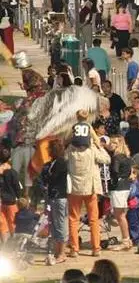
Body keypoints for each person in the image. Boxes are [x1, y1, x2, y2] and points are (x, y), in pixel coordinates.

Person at [66, 112, 111, 257]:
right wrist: (100, 146)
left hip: (74, 188)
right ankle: (95, 248)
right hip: (90, 187)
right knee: (93, 219)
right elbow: (107, 159)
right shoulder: (92, 149)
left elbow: (63, 154)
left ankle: (74, 249)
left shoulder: (70, 150)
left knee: (73, 218)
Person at [40, 140, 69, 264]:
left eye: (50, 149)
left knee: (60, 224)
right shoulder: (51, 163)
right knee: (53, 225)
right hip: (52, 196)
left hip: (59, 197)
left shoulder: (61, 162)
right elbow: (44, 177)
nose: (48, 151)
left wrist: (47, 175)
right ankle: (57, 251)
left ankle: (62, 253)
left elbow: (52, 178)